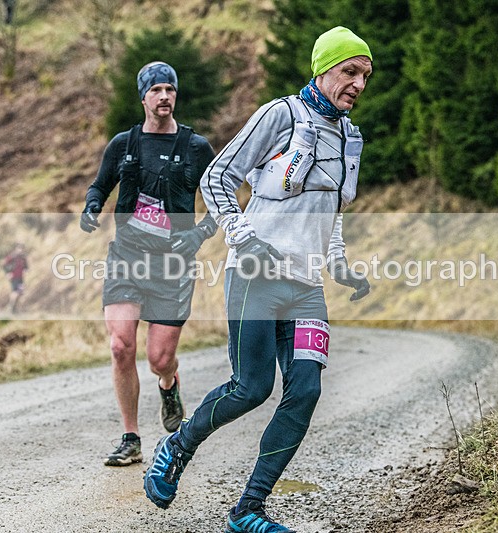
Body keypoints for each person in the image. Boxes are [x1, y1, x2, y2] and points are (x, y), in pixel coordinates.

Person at [144, 27, 372, 532]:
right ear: (323, 69)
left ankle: (249, 509)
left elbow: (332, 210)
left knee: (305, 390)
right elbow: (217, 177)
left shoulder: (350, 136)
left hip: (306, 285)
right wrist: (243, 238)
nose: (358, 84)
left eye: (365, 76)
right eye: (349, 71)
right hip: (256, 275)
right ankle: (178, 446)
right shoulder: (281, 115)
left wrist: (339, 264)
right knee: (251, 387)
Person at [79, 61, 217, 467]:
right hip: (127, 257)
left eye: (170, 89)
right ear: (143, 97)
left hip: (173, 265)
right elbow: (100, 185)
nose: (164, 96)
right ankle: (131, 438)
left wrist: (198, 234)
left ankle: (169, 383)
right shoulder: (124, 144)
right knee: (121, 345)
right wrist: (91, 206)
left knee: (159, 358)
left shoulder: (196, 147)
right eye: (156, 90)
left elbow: (223, 201)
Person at [3, 243, 28, 313]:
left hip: (21, 278)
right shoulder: (12, 257)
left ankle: (14, 308)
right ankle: (11, 306)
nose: (20, 250)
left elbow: (26, 267)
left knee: (20, 292)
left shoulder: (23, 258)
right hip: (14, 277)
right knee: (15, 292)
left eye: (22, 249)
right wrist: (8, 273)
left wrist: (25, 270)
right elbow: (4, 265)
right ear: (16, 249)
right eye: (19, 249)